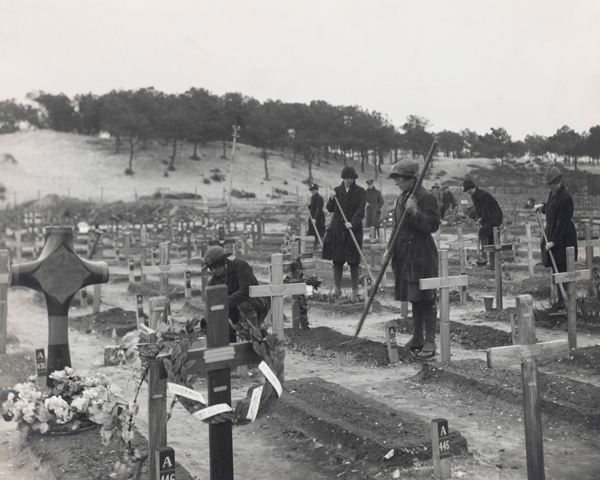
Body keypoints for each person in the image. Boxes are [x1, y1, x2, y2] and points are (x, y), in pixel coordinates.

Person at [382, 159, 440, 355]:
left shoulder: (426, 197)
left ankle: (430, 341)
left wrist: (415, 212)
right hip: (403, 253)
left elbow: (432, 225)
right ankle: (417, 337)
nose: (396, 183)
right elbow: (396, 228)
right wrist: (389, 250)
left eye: (399, 179)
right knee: (414, 297)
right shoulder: (402, 198)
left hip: (420, 252)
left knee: (426, 297)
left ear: (410, 179)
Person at [203, 245, 270, 341]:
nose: (214, 271)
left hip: (255, 303)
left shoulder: (240, 266)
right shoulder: (214, 282)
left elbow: (245, 290)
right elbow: (210, 301)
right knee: (221, 317)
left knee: (243, 305)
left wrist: (224, 303)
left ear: (224, 261)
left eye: (216, 267)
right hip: (234, 310)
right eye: (211, 269)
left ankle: (256, 335)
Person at [534, 166, 577, 310]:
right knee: (556, 267)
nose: (552, 186)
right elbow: (552, 208)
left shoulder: (566, 198)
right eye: (550, 183)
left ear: (559, 181)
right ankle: (561, 300)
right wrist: (543, 206)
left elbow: (562, 222)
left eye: (554, 183)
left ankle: (566, 300)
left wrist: (553, 241)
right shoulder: (552, 194)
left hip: (564, 237)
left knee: (563, 268)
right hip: (553, 233)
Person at [322, 165, 367, 301]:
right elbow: (330, 209)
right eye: (347, 178)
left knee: (353, 261)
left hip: (353, 229)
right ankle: (337, 289)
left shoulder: (361, 192)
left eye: (351, 178)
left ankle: (355, 290)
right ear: (343, 178)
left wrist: (352, 223)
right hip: (338, 229)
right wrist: (331, 198)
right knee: (338, 260)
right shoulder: (336, 191)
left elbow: (361, 211)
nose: (349, 181)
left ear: (354, 179)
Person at [463, 179, 503, 269]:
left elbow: (485, 211)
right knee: (491, 240)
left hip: (495, 217)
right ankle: (493, 266)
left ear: (473, 187)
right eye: (467, 191)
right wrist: (479, 219)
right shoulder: (474, 196)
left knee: (482, 232)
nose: (468, 192)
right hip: (488, 217)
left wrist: (482, 220)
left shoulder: (483, 195)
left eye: (469, 189)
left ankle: (483, 257)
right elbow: (478, 210)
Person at [307, 183, 325, 251]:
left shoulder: (319, 198)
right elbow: (313, 206)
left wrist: (315, 218)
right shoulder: (313, 197)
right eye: (311, 190)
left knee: (320, 234)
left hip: (319, 219)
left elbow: (319, 209)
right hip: (313, 218)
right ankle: (315, 249)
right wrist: (308, 206)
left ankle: (324, 248)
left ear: (316, 190)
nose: (312, 191)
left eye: (313, 190)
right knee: (315, 234)